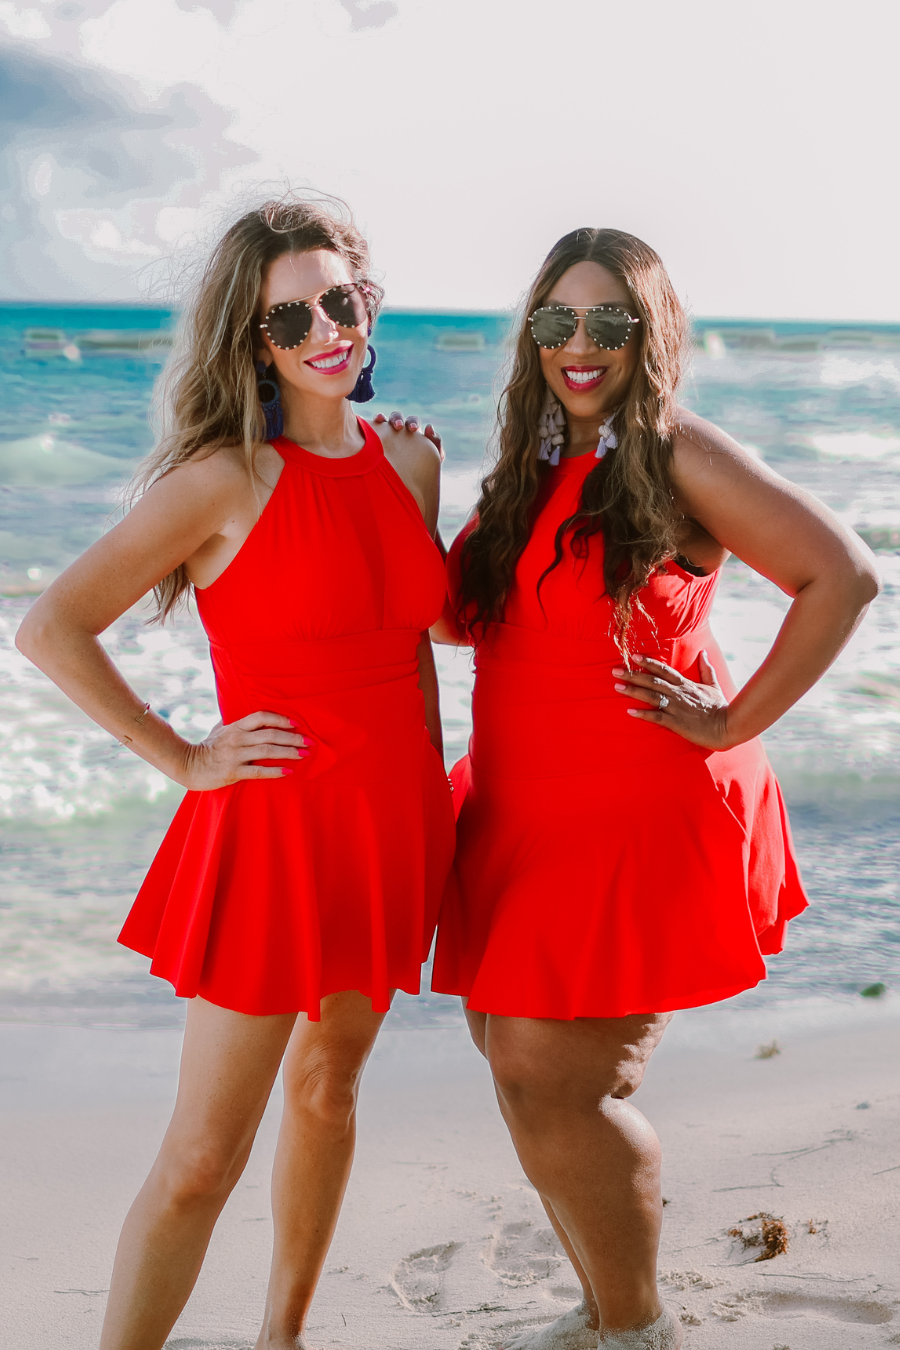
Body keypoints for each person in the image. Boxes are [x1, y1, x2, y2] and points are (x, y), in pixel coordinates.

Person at [16, 195, 454, 1350]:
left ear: (369, 298)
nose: (324, 329)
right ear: (252, 340)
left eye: (340, 300)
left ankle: (284, 1339)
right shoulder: (223, 479)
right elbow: (54, 627)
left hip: (392, 825)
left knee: (330, 1092)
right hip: (273, 836)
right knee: (204, 1153)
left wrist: (440, 800)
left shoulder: (409, 458)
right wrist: (185, 756)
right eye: (289, 315)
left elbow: (414, 650)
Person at [430, 227, 880, 1350]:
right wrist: (405, 488)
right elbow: (461, 622)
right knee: (515, 1055)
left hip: (633, 809)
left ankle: (635, 1329)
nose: (581, 346)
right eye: (557, 322)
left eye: (609, 323)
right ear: (531, 335)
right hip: (521, 805)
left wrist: (732, 719)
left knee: (557, 1074)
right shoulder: (529, 467)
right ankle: (601, 1309)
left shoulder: (679, 452)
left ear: (651, 335)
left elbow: (844, 575)